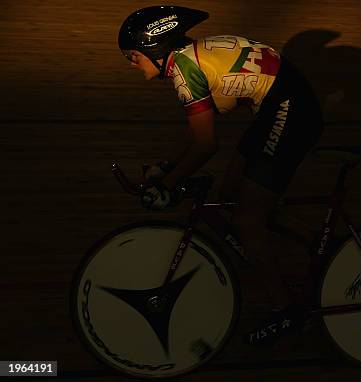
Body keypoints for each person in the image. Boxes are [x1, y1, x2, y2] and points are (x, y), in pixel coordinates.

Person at [118, 6, 323, 344]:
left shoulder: (184, 71)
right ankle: (313, 242)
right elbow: (201, 130)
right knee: (228, 195)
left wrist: (167, 186)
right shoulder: (191, 55)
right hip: (282, 105)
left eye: (132, 55)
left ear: (153, 49)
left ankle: (287, 312)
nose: (130, 63)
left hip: (287, 110)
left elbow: (206, 145)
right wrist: (168, 166)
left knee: (246, 221)